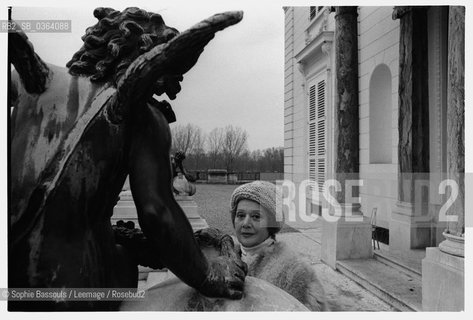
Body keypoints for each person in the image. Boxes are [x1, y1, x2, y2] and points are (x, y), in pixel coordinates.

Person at [9, 7, 245, 311]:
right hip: (79, 290)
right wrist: (210, 276)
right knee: (122, 260)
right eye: (173, 76)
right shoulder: (142, 116)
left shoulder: (30, 82)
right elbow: (157, 212)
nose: (173, 90)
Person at [230, 181, 328, 311]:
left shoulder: (294, 273)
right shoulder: (224, 257)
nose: (246, 223)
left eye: (256, 217)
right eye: (241, 215)